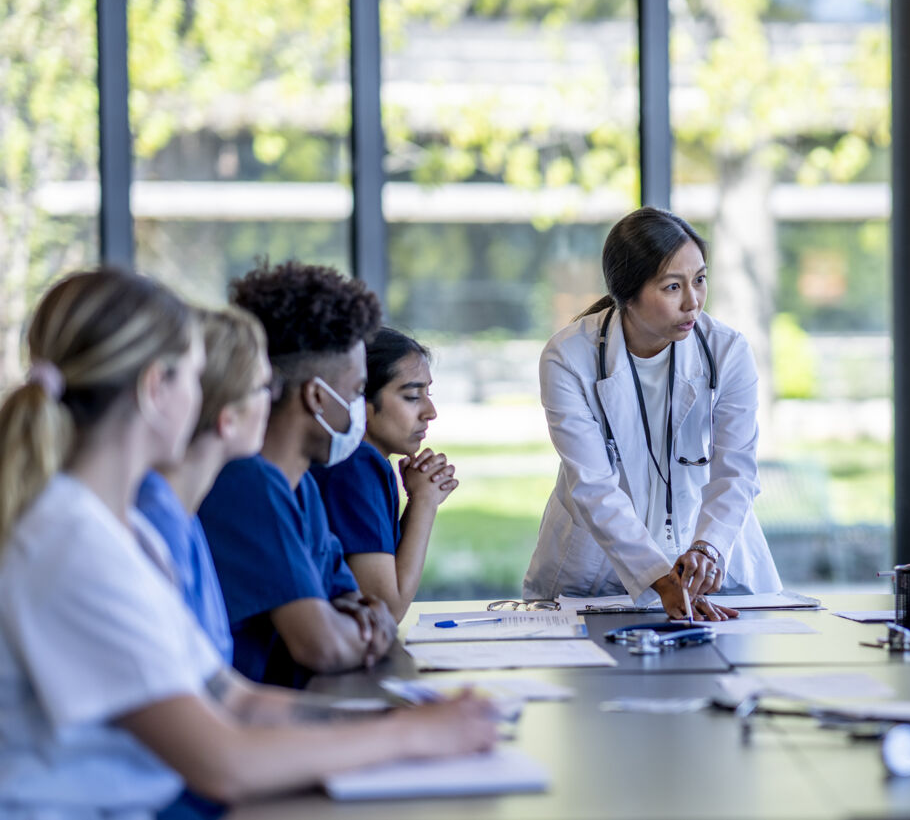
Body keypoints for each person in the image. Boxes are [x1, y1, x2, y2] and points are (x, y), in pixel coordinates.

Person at [0, 270, 496, 817]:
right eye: (196, 376)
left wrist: (405, 723)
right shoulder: (73, 546)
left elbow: (233, 699)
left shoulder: (126, 534)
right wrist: (408, 739)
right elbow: (222, 761)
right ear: (156, 390)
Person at [523, 207, 782, 621]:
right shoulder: (568, 356)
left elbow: (735, 471)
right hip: (597, 572)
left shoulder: (727, 352)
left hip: (713, 568)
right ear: (628, 292)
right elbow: (592, 485)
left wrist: (707, 548)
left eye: (699, 280)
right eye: (672, 287)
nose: (693, 301)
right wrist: (658, 579)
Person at [199, 259, 397, 687]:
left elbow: (357, 601)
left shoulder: (301, 485)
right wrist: (367, 636)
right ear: (316, 396)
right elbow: (321, 645)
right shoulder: (248, 483)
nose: (362, 409)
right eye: (357, 391)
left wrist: (362, 619)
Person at [136, 306, 272, 665]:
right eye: (264, 387)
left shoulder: (180, 511)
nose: (272, 400)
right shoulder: (155, 523)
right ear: (228, 417)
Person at [313, 327, 457, 622]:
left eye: (427, 393)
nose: (430, 411)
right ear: (358, 400)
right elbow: (386, 610)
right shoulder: (356, 465)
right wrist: (425, 502)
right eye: (412, 396)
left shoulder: (369, 463)